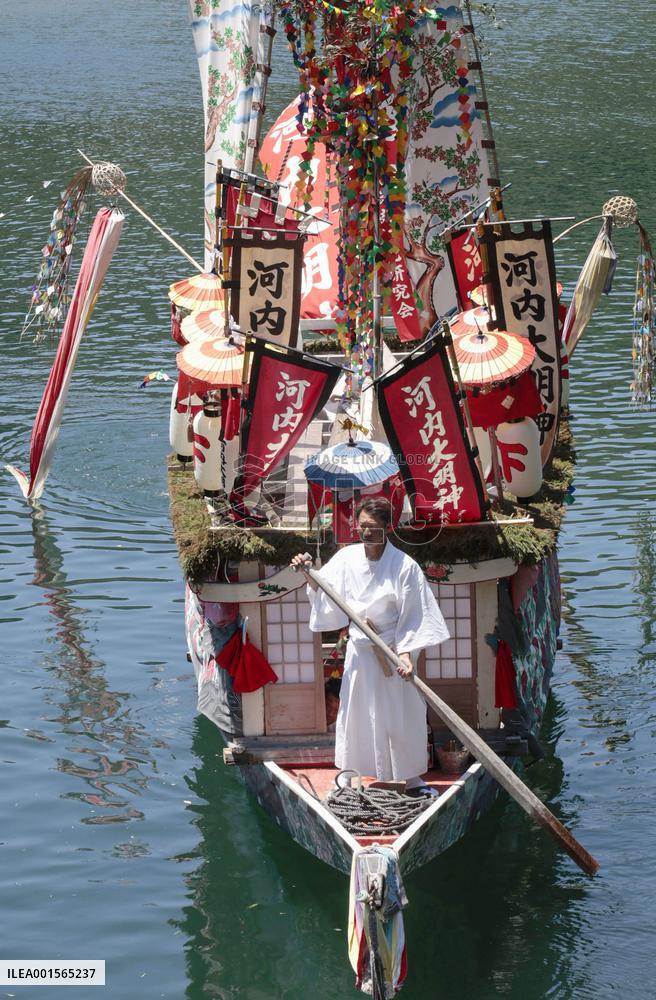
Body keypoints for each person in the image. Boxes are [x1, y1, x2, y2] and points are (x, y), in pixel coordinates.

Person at [291, 497, 449, 794]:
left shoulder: (405, 566)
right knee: (357, 715)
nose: (365, 533)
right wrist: (307, 574)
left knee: (401, 714)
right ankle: (352, 774)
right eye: (362, 526)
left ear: (386, 528)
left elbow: (414, 615)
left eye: (373, 527)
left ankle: (411, 776)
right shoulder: (347, 558)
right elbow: (325, 591)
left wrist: (405, 655)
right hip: (361, 654)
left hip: (390, 652)